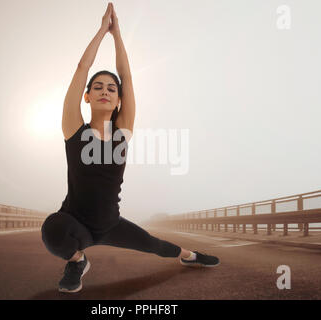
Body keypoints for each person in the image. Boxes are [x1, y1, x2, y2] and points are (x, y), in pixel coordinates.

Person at [41, 2, 219, 293]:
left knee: (157, 246)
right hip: (75, 222)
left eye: (111, 89)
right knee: (52, 229)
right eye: (97, 87)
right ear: (86, 96)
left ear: (119, 101)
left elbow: (127, 77)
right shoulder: (74, 129)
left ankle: (191, 256)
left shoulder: (122, 132)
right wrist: (102, 31)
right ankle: (77, 261)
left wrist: (118, 34)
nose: (104, 91)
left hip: (110, 223)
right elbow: (82, 68)